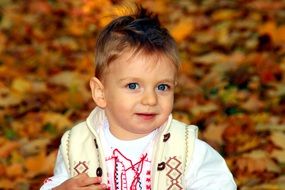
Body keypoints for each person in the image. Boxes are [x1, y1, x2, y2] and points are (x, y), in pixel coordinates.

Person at [40, 5, 237, 190]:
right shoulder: (76, 145)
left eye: (162, 87)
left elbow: (219, 184)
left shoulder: (186, 148)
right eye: (133, 86)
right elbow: (54, 183)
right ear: (100, 93)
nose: (150, 100)